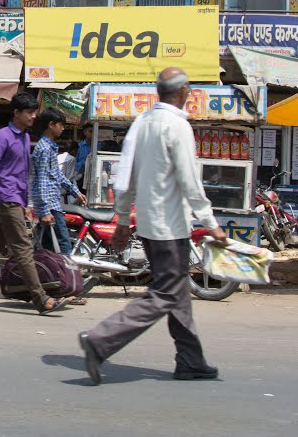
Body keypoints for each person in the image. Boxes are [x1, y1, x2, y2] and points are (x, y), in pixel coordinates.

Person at [79, 67, 227, 386]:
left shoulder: (142, 123)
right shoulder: (178, 126)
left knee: (177, 292)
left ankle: (191, 361)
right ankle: (101, 339)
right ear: (185, 90)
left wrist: (121, 218)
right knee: (166, 292)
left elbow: (123, 178)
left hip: (146, 223)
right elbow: (190, 181)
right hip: (170, 226)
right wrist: (211, 223)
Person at [0, 92, 71, 315]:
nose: (33, 117)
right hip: (5, 199)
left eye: (35, 112)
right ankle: (41, 299)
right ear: (16, 113)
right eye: (29, 112)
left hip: (16, 201)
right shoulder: (2, 137)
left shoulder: (25, 137)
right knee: (23, 249)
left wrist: (26, 203)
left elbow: (22, 174)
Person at [31, 109, 88, 259]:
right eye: (61, 125)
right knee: (63, 243)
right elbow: (42, 179)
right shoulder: (44, 149)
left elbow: (58, 176)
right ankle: (69, 276)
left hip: (50, 203)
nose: (63, 129)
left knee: (47, 246)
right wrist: (45, 210)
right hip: (49, 205)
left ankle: (47, 276)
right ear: (51, 125)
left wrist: (76, 192)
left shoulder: (49, 147)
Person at [75, 126, 94, 191]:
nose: (92, 134)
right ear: (85, 132)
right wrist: (85, 162)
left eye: (94, 131)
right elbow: (74, 164)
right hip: (81, 178)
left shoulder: (98, 147)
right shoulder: (79, 146)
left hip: (94, 177)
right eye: (90, 131)